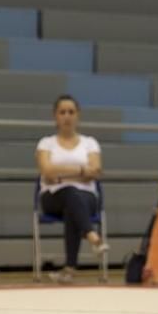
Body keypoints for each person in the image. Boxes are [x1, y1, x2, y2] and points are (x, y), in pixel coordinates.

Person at [36, 94, 109, 284]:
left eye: (71, 112)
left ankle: (69, 269)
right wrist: (80, 170)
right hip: (53, 197)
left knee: (73, 202)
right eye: (62, 112)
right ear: (55, 116)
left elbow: (96, 170)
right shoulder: (46, 143)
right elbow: (46, 170)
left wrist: (61, 175)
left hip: (87, 199)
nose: (67, 116)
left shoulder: (90, 143)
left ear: (78, 115)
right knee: (70, 193)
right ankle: (92, 235)